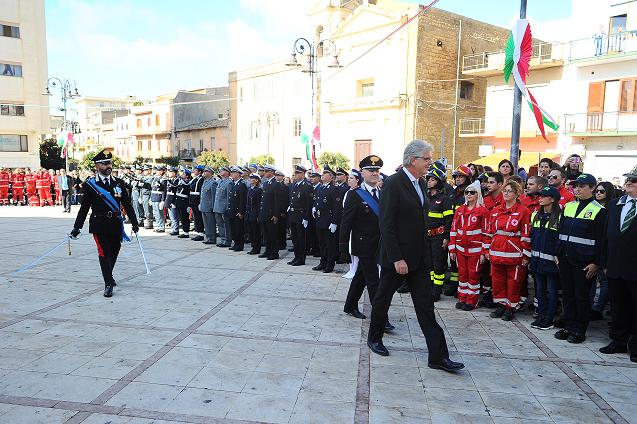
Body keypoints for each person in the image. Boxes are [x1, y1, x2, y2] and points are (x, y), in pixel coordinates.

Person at [367, 140, 464, 373]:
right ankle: (375, 337)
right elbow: (387, 224)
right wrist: (397, 258)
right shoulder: (393, 183)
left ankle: (438, 356)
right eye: (427, 159)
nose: (431, 163)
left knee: (425, 306)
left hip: (419, 257)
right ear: (413, 160)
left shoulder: (420, 183)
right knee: (383, 298)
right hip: (397, 257)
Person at [70, 150, 139, 298]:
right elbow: (84, 208)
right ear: (97, 166)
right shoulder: (90, 185)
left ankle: (109, 274)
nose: (109, 166)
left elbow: (127, 205)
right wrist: (77, 227)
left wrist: (134, 222)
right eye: (105, 163)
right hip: (99, 223)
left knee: (115, 250)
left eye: (110, 163)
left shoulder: (118, 183)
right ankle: (108, 283)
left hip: (115, 223)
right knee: (104, 252)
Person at [340, 155, 393, 332]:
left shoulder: (383, 193)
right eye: (370, 170)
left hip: (379, 244)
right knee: (374, 283)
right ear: (362, 173)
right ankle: (381, 319)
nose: (374, 173)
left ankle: (350, 305)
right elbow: (346, 222)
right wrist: (342, 248)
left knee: (361, 276)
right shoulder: (355, 195)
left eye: (377, 170)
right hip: (363, 245)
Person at [555, 173, 606, 344]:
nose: (577, 189)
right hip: (565, 258)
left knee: (581, 296)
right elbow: (560, 232)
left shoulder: (599, 211)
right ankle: (568, 325)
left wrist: (596, 263)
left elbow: (601, 240)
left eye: (582, 186)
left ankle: (579, 329)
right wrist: (558, 253)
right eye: (576, 186)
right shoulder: (568, 206)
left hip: (584, 262)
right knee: (568, 294)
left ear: (592, 188)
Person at [600, 166, 637, 362]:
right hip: (615, 265)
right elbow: (606, 235)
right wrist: (604, 261)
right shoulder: (615, 204)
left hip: (635, 267)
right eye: (628, 179)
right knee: (618, 306)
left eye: (634, 180)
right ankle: (618, 340)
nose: (629, 182)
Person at [485, 180, 531, 321]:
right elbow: (489, 233)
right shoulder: (496, 210)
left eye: (509, 191)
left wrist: (526, 255)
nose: (506, 193)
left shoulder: (524, 211)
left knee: (514, 282)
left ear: (517, 194)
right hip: (496, 253)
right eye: (504, 190)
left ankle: (511, 307)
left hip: (514, 254)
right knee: (498, 281)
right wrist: (487, 250)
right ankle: (500, 305)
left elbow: (526, 235)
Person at [448, 180, 489, 310]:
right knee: (462, 274)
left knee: (473, 275)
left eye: (472, 192)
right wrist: (452, 248)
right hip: (460, 249)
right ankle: (462, 298)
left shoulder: (483, 211)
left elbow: (487, 233)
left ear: (478, 194)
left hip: (475, 250)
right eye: (467, 192)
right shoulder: (460, 210)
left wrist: (484, 252)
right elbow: (454, 229)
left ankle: (472, 301)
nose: (469, 194)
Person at [529, 186, 562, 330]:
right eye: (539, 195)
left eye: (544, 195)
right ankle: (541, 315)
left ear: (553, 199)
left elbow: (560, 240)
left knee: (551, 291)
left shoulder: (560, 217)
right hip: (537, 260)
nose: (540, 198)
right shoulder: (535, 215)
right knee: (540, 290)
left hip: (551, 263)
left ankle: (549, 318)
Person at [424, 167, 454, 301]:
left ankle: (436, 290)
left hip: (439, 237)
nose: (429, 182)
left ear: (439, 182)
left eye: (433, 179)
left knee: (438, 264)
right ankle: (430, 286)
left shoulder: (444, 199)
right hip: (427, 236)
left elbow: (449, 220)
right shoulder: (426, 198)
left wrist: (446, 237)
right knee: (429, 264)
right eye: (429, 179)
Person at [589, 181, 616, 320]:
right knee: (594, 280)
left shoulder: (612, 209)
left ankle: (597, 308)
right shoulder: (592, 207)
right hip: (594, 247)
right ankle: (592, 307)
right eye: (597, 191)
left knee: (604, 281)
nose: (598, 193)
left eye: (602, 191)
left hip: (606, 248)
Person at [312, 165, 342, 273]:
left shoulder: (334, 189)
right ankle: (322, 262)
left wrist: (334, 222)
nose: (322, 175)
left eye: (325, 174)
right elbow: (317, 201)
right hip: (320, 218)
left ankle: (330, 264)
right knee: (322, 243)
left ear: (331, 177)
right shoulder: (321, 187)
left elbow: (337, 207)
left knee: (330, 244)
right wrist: (314, 208)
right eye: (323, 173)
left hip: (328, 220)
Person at [287, 165, 313, 266]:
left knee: (301, 238)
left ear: (302, 174)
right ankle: (296, 257)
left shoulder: (307, 186)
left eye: (297, 173)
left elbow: (309, 204)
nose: (295, 175)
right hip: (293, 214)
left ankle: (301, 259)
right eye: (295, 173)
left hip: (301, 215)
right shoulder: (294, 185)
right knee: (295, 238)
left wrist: (306, 218)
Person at [228, 166, 247, 251]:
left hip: (237, 212)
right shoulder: (233, 184)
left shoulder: (242, 185)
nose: (231, 174)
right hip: (232, 210)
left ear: (239, 174)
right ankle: (236, 243)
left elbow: (242, 200)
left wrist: (241, 212)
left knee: (239, 229)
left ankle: (240, 245)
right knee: (233, 229)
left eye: (233, 173)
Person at [214, 167, 232, 247]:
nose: (221, 171)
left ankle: (227, 241)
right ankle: (222, 239)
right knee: (220, 224)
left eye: (223, 170)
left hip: (224, 207)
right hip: (217, 207)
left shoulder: (229, 182)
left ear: (228, 173)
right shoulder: (220, 181)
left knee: (226, 225)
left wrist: (228, 207)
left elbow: (229, 197)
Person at [199, 167, 217, 245]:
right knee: (206, 224)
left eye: (206, 171)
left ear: (210, 173)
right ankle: (208, 237)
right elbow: (202, 195)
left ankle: (212, 239)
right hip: (204, 206)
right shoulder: (205, 182)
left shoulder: (213, 183)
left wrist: (213, 207)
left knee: (211, 223)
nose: (204, 172)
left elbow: (213, 196)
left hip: (209, 207)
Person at [246, 173, 263, 254]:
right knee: (251, 232)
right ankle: (253, 247)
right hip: (249, 213)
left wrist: (259, 215)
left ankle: (257, 248)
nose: (250, 179)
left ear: (256, 180)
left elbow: (260, 204)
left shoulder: (258, 190)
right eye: (250, 178)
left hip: (255, 213)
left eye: (252, 178)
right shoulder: (249, 189)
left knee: (256, 232)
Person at [189, 165, 206, 241]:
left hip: (197, 200)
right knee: (196, 217)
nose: (194, 171)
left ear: (199, 172)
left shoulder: (201, 179)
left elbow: (200, 192)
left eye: (196, 170)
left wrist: (200, 202)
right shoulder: (195, 179)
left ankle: (201, 234)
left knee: (199, 217)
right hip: (193, 200)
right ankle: (198, 232)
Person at [149, 165, 167, 233]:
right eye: (156, 170)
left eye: (159, 170)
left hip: (159, 197)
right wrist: (151, 198)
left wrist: (163, 200)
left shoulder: (163, 179)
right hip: (154, 197)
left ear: (162, 171)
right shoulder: (155, 178)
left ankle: (161, 227)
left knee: (160, 213)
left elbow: (164, 190)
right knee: (156, 213)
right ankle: (158, 226)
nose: (157, 171)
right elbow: (152, 189)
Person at [175, 168, 191, 239]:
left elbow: (187, 191)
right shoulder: (181, 181)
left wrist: (188, 205)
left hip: (184, 203)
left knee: (185, 218)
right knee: (181, 217)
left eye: (184, 174)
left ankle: (186, 232)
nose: (182, 175)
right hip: (179, 202)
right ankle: (184, 231)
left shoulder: (188, 182)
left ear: (187, 176)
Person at [165, 167, 180, 236]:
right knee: (171, 217)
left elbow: (174, 188)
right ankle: (173, 229)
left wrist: (174, 202)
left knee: (174, 217)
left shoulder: (177, 180)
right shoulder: (171, 180)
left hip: (173, 200)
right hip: (169, 200)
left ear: (174, 173)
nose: (169, 173)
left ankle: (176, 230)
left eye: (171, 172)